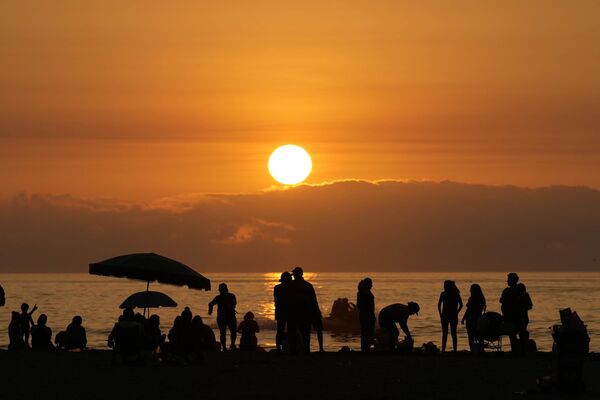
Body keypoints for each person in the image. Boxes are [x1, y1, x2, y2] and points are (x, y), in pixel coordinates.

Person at [288, 266, 321, 354]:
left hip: (295, 313)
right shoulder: (308, 285)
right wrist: (316, 312)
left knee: (294, 333)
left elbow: (288, 300)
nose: (294, 275)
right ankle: (306, 351)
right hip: (306, 313)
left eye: (294, 274)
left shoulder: (291, 285)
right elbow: (314, 301)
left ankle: (295, 351)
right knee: (306, 334)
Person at [208, 283, 238, 350]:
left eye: (221, 289)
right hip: (227, 317)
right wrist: (210, 310)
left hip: (224, 317)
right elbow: (234, 304)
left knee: (225, 332)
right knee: (230, 332)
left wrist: (210, 311)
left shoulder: (219, 297)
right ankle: (230, 346)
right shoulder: (230, 296)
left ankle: (228, 346)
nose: (221, 291)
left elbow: (210, 304)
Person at [500, 272, 523, 353]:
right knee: (512, 333)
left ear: (513, 280)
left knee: (513, 333)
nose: (507, 281)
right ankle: (515, 349)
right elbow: (502, 300)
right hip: (508, 315)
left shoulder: (516, 290)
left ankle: (516, 350)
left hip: (514, 316)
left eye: (509, 279)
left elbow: (505, 300)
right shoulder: (508, 290)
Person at [437, 280, 463, 352]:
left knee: (446, 333)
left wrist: (440, 314)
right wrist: (456, 312)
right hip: (450, 315)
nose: (444, 287)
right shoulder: (455, 294)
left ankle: (445, 350)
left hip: (446, 315)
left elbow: (439, 305)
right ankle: (453, 350)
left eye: (445, 285)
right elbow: (461, 305)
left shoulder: (445, 294)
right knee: (452, 333)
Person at [461, 283, 486, 351]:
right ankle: (476, 349)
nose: (470, 290)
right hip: (473, 318)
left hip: (474, 318)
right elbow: (468, 310)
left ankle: (476, 349)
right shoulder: (478, 298)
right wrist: (464, 318)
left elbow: (469, 309)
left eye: (471, 289)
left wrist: (464, 318)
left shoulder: (476, 299)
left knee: (474, 335)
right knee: (474, 335)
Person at [274, 271, 292, 352]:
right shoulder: (291, 288)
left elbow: (276, 301)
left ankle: (279, 348)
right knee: (288, 330)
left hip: (280, 311)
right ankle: (286, 347)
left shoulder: (277, 287)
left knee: (280, 330)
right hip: (287, 311)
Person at [357, 278, 375, 352]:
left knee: (366, 332)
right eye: (370, 284)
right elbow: (359, 305)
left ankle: (365, 348)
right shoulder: (363, 293)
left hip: (366, 315)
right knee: (367, 332)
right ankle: (365, 349)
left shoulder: (362, 293)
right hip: (366, 315)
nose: (372, 285)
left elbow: (358, 306)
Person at [516, 283, 533, 351]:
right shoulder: (519, 296)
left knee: (522, 332)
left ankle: (523, 348)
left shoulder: (525, 296)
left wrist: (522, 307)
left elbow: (530, 306)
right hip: (521, 317)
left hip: (523, 317)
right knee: (521, 332)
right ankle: (522, 348)